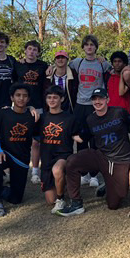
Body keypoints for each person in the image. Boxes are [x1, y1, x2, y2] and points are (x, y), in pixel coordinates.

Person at [55, 88, 130, 216]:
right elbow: (82, 138)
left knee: (114, 203)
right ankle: (76, 204)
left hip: (120, 160)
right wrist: (64, 132)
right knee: (72, 161)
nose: (97, 101)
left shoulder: (119, 112)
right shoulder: (90, 119)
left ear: (107, 99)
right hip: (101, 156)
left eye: (101, 98)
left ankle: (108, 185)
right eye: (94, 99)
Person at [0, 83, 39, 216]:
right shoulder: (3, 114)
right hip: (5, 154)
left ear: (28, 99)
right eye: (18, 95)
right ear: (12, 97)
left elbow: (40, 137)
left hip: (21, 159)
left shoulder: (33, 116)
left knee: (16, 199)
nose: (21, 98)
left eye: (24, 96)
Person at [68, 34, 112, 188]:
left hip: (96, 104)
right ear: (83, 47)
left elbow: (117, 70)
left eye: (92, 45)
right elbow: (61, 65)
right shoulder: (77, 62)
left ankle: (94, 174)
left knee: (95, 140)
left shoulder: (102, 64)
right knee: (80, 140)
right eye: (86, 45)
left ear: (95, 47)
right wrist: (51, 67)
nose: (89, 47)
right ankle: (84, 173)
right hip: (80, 104)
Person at [37, 85, 82, 213]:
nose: (52, 100)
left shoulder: (69, 118)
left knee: (57, 169)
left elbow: (78, 137)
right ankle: (63, 186)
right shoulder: (42, 118)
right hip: (46, 159)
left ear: (61, 99)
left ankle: (61, 199)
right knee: (50, 200)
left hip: (63, 155)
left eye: (55, 98)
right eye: (49, 97)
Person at [13, 40, 49, 185]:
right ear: (25, 50)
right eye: (29, 49)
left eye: (35, 49)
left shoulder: (43, 65)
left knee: (36, 142)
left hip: (38, 107)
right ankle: (17, 169)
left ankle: (35, 171)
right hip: (21, 107)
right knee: (18, 139)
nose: (32, 52)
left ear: (38, 52)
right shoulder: (18, 65)